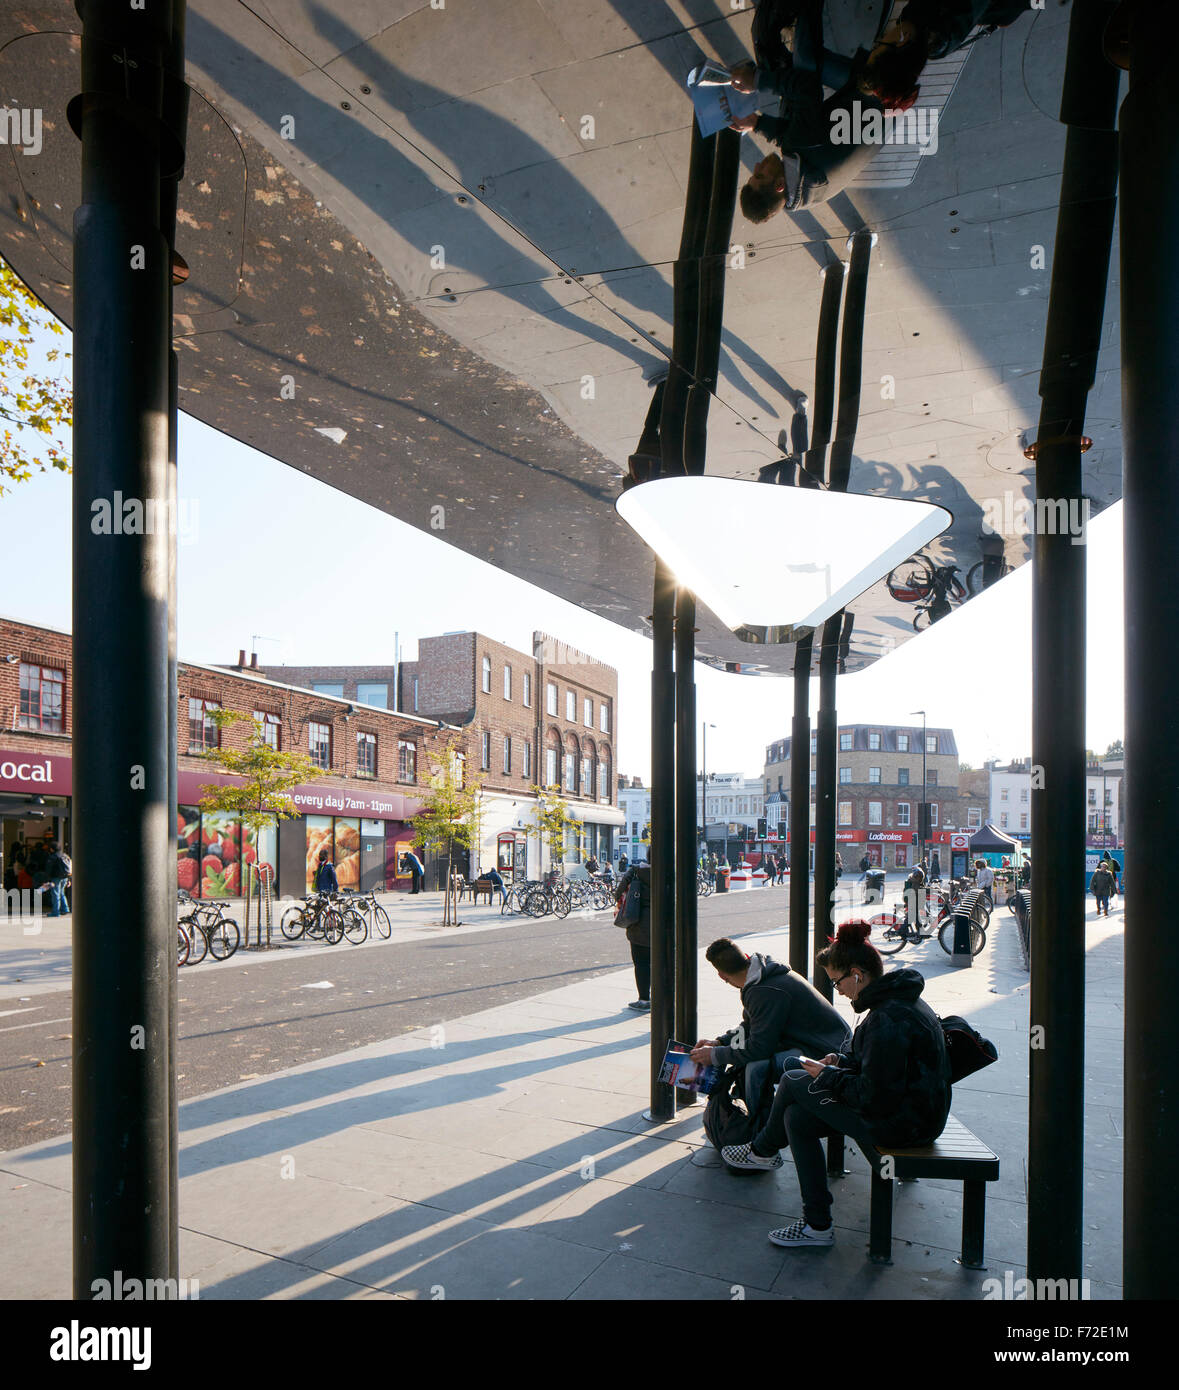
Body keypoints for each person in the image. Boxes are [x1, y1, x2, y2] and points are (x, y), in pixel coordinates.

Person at [722, 919, 951, 1249]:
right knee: (796, 1118)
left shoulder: (887, 1018)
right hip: (913, 1111)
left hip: (907, 1124)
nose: (837, 990)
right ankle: (817, 1225)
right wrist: (840, 1062)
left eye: (837, 981)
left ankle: (762, 1151)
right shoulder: (895, 1002)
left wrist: (828, 1076)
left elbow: (873, 1097)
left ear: (857, 974)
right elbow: (882, 1072)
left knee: (792, 1080)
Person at [692, 938, 850, 1131]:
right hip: (819, 1043)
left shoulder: (764, 990)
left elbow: (759, 1048)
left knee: (756, 1066)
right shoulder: (761, 974)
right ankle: (762, 1124)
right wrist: (719, 1042)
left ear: (721, 976)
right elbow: (751, 1026)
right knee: (752, 1062)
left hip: (827, 1052)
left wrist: (715, 1056)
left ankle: (760, 1132)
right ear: (746, 957)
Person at [615, 859, 652, 1011]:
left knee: (641, 963)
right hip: (666, 925)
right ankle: (665, 997)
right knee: (664, 963)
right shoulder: (674, 871)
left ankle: (644, 999)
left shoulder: (636, 871)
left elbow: (618, 893)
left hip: (639, 923)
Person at [44, 841, 71, 918]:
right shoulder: (65, 855)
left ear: (52, 849)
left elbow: (49, 869)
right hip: (65, 877)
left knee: (55, 894)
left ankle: (55, 912)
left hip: (55, 878)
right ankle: (65, 909)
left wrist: (47, 878)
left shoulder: (52, 857)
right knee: (62, 893)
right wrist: (69, 879)